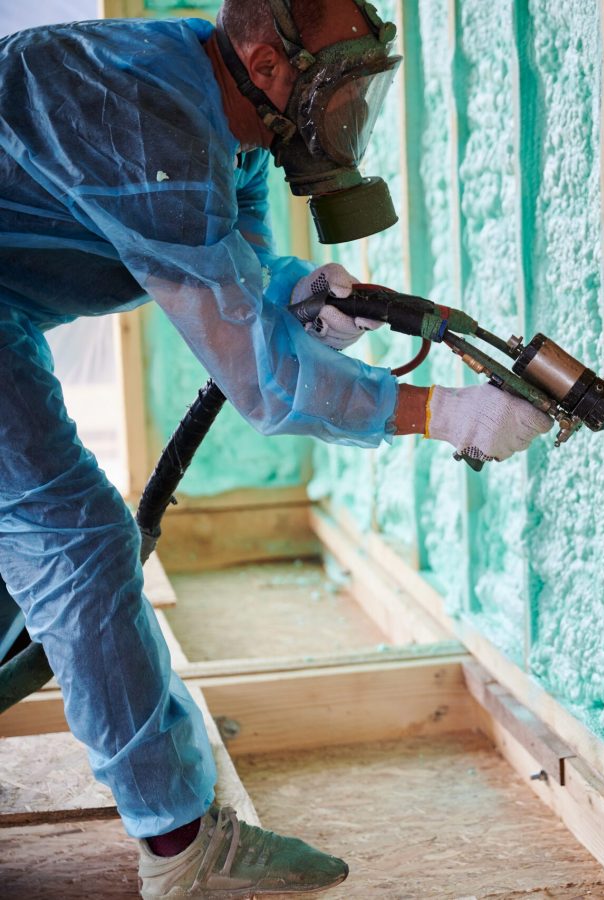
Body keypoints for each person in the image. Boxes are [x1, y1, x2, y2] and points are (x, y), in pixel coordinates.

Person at [0, 0, 551, 895]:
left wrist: (303, 291)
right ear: (267, 61)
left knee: (36, 543)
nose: (348, 115)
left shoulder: (227, 104)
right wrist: (443, 414)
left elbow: (243, 275)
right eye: (337, 86)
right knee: (75, 540)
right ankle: (184, 857)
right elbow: (263, 382)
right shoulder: (154, 121)